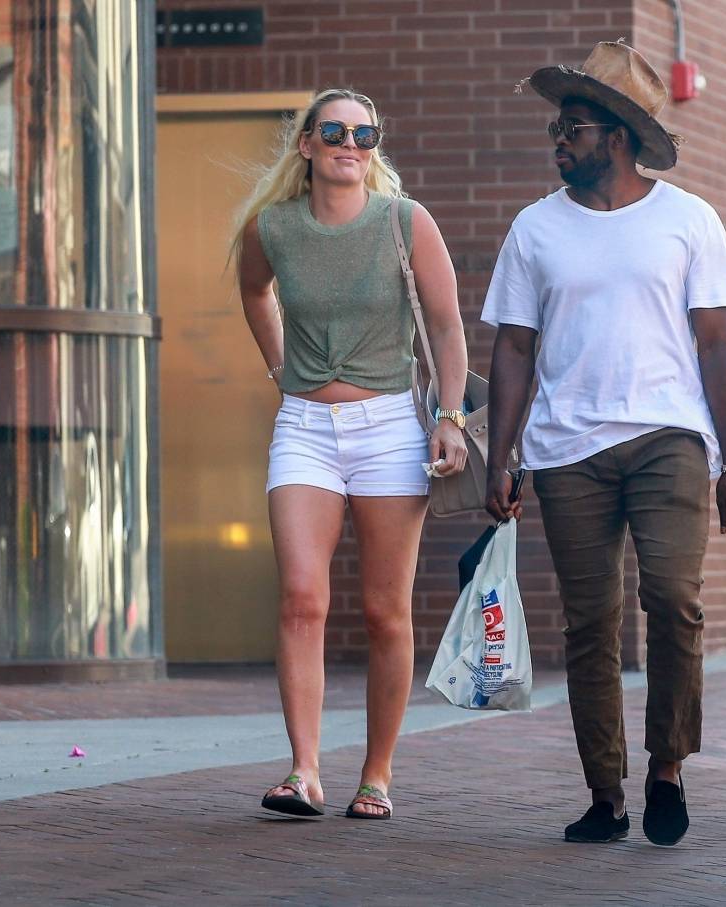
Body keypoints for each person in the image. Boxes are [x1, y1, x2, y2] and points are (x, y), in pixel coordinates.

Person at [482, 43, 726, 846]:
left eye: (574, 127)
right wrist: (501, 457)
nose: (558, 141)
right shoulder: (535, 228)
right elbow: (513, 349)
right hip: (567, 450)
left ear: (621, 136)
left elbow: (717, 346)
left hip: (668, 436)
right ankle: (606, 792)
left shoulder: (689, 220)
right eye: (557, 129)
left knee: (673, 598)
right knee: (590, 623)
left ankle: (668, 764)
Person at [234, 88, 469, 820]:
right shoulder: (272, 227)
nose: (351, 143)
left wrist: (453, 416)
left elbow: (448, 326)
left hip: (391, 427)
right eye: (334, 130)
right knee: (302, 596)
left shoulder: (405, 221)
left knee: (383, 613)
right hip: (304, 425)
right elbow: (254, 293)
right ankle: (304, 771)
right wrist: (281, 371)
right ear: (305, 144)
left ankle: (377, 774)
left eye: (366, 133)